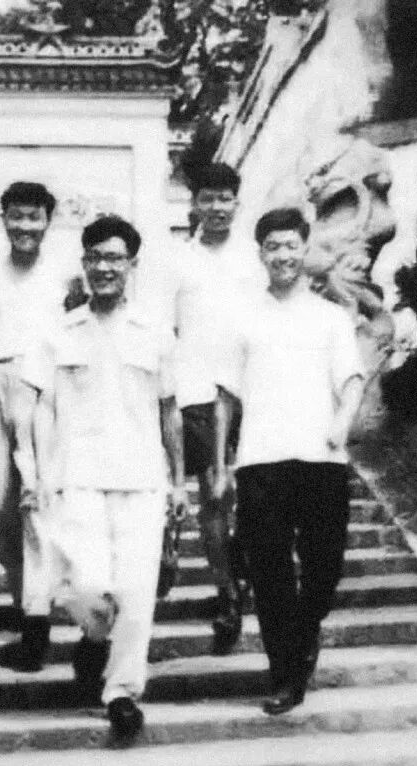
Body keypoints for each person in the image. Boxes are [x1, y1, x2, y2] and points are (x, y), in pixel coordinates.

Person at [21, 215, 187, 744]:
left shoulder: (155, 331)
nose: (104, 267)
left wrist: (179, 480)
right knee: (85, 586)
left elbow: (170, 411)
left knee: (136, 595)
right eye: (95, 257)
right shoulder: (59, 332)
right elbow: (42, 408)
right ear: (84, 263)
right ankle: (94, 639)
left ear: (132, 264)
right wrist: (39, 472)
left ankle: (121, 694)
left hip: (142, 478)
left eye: (115, 258)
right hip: (77, 478)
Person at [215, 207, 364, 715]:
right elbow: (225, 397)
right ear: (261, 253)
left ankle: (305, 632)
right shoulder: (243, 315)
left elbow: (352, 381)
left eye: (291, 246)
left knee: (324, 567)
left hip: (322, 459)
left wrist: (341, 422)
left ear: (305, 249)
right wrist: (221, 463)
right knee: (269, 572)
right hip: (260, 460)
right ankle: (285, 674)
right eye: (273, 246)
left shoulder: (330, 316)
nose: (282, 255)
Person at [0, 181, 64, 672]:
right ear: (2, 218)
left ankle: (37, 618)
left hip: (43, 388)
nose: (25, 225)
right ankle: (24, 596)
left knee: (36, 503)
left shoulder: (66, 276)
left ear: (48, 220)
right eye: (16, 216)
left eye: (34, 216)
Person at [173, 162, 265, 655]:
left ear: (237, 202)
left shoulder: (256, 257)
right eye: (207, 198)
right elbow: (166, 328)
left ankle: (242, 565)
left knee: (255, 497)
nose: (216, 207)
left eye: (225, 198)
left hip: (256, 391)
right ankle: (227, 595)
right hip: (198, 392)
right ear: (194, 204)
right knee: (212, 495)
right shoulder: (177, 260)